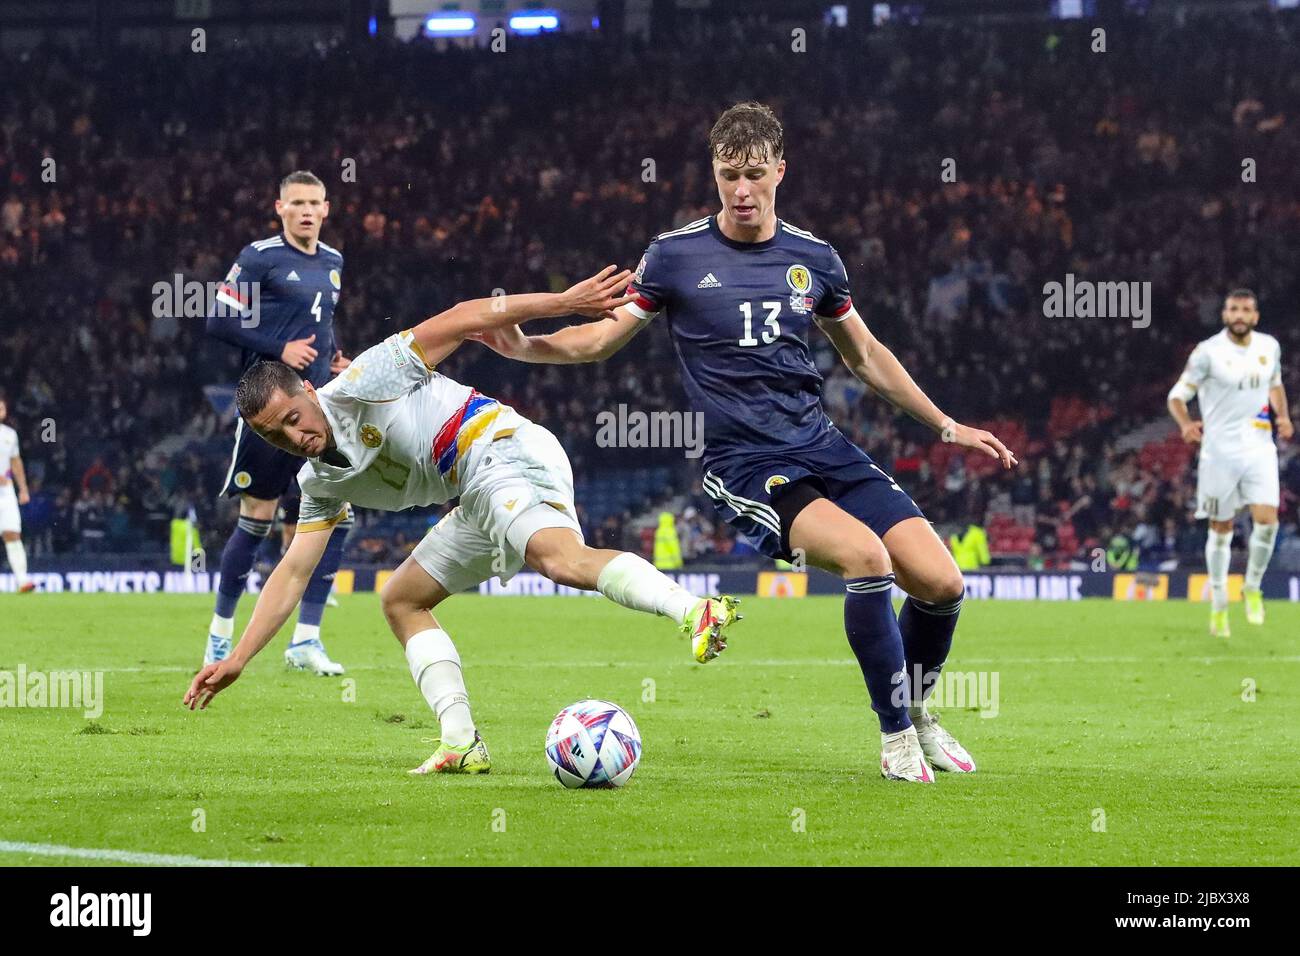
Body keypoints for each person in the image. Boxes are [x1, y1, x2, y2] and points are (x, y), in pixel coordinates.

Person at [474, 103, 1018, 783]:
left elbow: (866, 356)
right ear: (714, 173)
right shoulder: (673, 256)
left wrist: (945, 424)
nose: (741, 189)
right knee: (867, 560)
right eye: (729, 175)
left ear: (780, 171)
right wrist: (526, 347)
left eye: (754, 174)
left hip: (822, 445)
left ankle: (915, 708)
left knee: (942, 583)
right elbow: (600, 340)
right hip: (745, 463)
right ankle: (897, 735)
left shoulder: (815, 259)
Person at [184, 266, 740, 776]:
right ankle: (461, 742)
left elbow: (464, 317)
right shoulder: (319, 483)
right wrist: (238, 659)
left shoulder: (362, 382)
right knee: (402, 600)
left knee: (559, 561)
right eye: (274, 435)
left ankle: (695, 610)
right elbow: (292, 573)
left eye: (292, 418)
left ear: (308, 390)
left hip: (499, 448)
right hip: (473, 491)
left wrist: (562, 302)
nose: (293, 436)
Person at [203, 170, 352, 674]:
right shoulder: (259, 257)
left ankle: (306, 640)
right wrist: (278, 348)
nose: (306, 211)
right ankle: (220, 638)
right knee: (257, 519)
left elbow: (321, 321)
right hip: (268, 410)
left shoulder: (333, 261)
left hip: (317, 408)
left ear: (326, 209)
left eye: (314, 203)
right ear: (280, 208)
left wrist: (334, 356)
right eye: (297, 203)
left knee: (336, 517)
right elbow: (218, 320)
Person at [1167, 288, 1292, 637]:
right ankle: (1219, 604)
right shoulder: (1208, 352)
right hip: (1219, 453)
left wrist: (1283, 416)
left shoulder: (1269, 347)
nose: (1239, 315)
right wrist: (1185, 424)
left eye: (1246, 310)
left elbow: (1275, 385)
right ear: (1224, 315)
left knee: (1267, 521)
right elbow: (1177, 396)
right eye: (1234, 309)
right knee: (1221, 528)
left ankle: (1252, 587)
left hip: (1259, 448)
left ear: (1255, 316)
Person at [0, 392, 35, 593]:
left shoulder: (10, 435)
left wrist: (23, 489)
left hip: (5, 491)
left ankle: (23, 581)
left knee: (12, 533)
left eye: (1, 408)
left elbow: (15, 462)